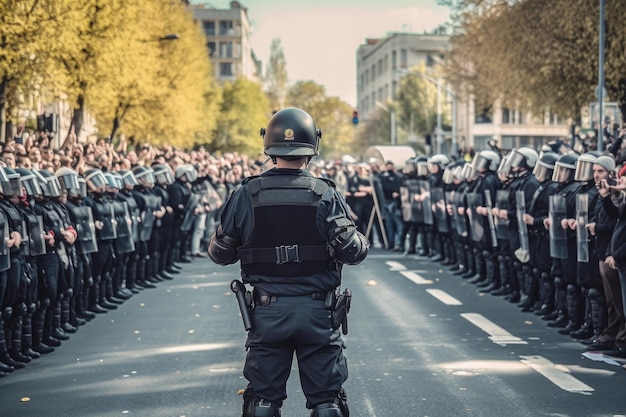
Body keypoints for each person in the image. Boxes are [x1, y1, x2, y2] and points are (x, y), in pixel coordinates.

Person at [208, 108, 369, 417]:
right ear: (312, 148)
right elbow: (355, 252)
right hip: (318, 312)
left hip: (268, 313)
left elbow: (220, 254)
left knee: (263, 403)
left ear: (268, 147)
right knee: (328, 403)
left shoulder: (245, 194)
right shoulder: (325, 194)